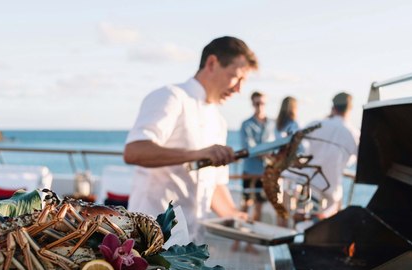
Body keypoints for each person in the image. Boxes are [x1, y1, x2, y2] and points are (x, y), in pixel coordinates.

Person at [123, 36, 258, 244]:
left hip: (193, 242)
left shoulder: (219, 121)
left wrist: (234, 214)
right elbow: (134, 151)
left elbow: (214, 184)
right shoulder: (171, 96)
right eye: (235, 77)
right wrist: (198, 154)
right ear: (212, 63)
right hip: (151, 236)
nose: (239, 89)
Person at [287, 92, 360, 229]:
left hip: (308, 184)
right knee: (324, 230)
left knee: (300, 226)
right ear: (349, 109)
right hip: (331, 191)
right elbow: (362, 161)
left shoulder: (317, 124)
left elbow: (293, 141)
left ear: (333, 107)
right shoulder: (353, 133)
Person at [236, 91, 275, 252]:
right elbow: (250, 147)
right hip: (250, 171)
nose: (260, 106)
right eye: (257, 103)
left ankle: (251, 243)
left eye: (262, 103)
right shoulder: (246, 124)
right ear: (252, 104)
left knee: (258, 207)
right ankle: (237, 240)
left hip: (264, 173)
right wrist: (267, 153)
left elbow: (273, 145)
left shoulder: (272, 123)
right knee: (245, 206)